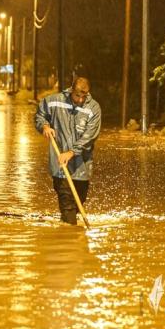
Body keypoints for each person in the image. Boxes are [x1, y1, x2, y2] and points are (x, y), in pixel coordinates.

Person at [35, 76, 101, 225]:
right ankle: (69, 238)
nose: (80, 100)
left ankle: (66, 222)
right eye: (77, 95)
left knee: (79, 202)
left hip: (82, 166)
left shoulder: (93, 108)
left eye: (84, 96)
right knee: (68, 206)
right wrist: (44, 126)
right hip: (60, 166)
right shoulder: (54, 101)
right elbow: (40, 115)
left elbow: (90, 136)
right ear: (71, 90)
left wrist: (71, 152)